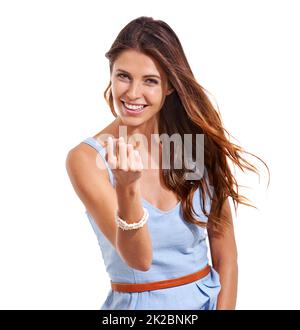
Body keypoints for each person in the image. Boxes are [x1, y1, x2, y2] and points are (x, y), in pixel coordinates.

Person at [66, 16, 269, 310]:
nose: (133, 93)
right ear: (110, 74)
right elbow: (139, 259)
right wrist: (127, 188)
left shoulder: (192, 146)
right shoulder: (88, 159)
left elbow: (226, 256)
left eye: (150, 80)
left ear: (170, 86)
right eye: (123, 76)